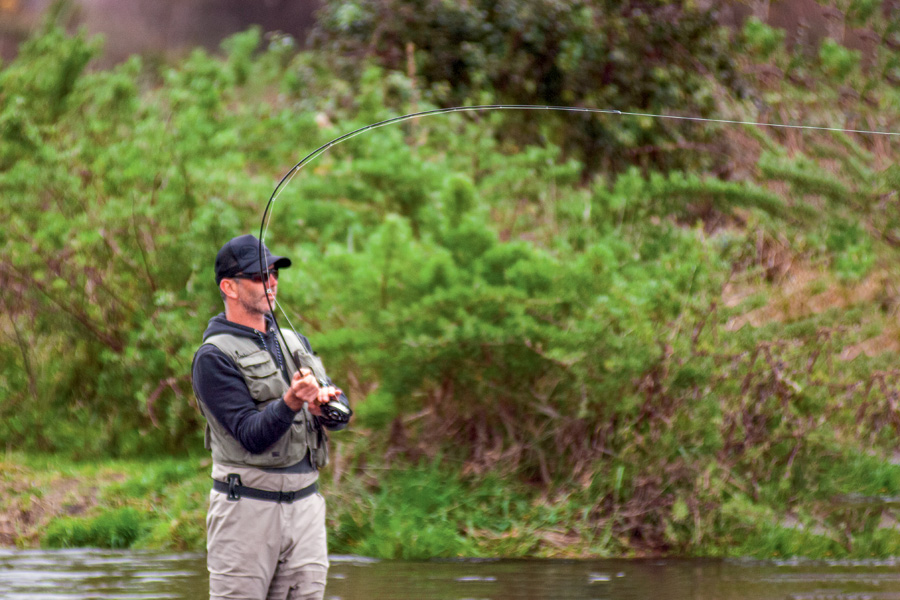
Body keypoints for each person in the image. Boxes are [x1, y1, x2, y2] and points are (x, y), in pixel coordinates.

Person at [191, 233, 351, 600]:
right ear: (229, 287)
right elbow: (250, 434)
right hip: (246, 511)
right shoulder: (213, 357)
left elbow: (342, 415)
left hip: (306, 508)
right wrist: (292, 401)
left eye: (274, 273)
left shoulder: (296, 342)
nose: (272, 282)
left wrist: (326, 407)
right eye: (260, 276)